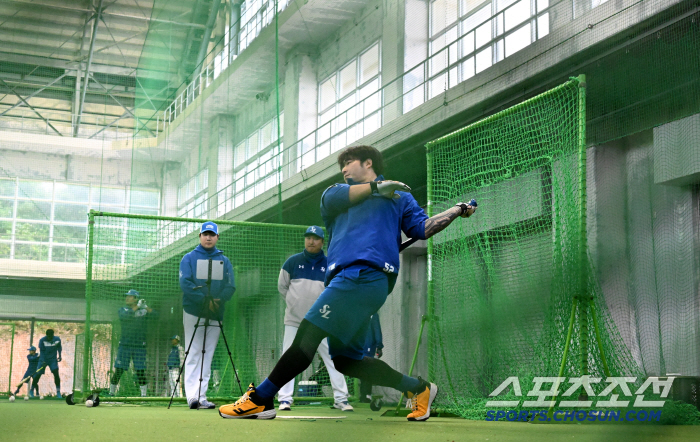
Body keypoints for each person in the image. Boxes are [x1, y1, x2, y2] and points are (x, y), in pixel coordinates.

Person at [219, 144, 476, 421]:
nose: (343, 169)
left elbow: (423, 229)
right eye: (341, 165)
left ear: (368, 163)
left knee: (308, 335)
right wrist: (378, 189)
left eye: (349, 162)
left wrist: (457, 209)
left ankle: (261, 398)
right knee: (345, 360)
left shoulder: (400, 198)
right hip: (344, 281)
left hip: (365, 278)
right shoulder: (335, 194)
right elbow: (346, 196)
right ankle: (418, 389)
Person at [276, 226, 353, 412]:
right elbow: (282, 288)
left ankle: (341, 398)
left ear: (322, 242)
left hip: (322, 323)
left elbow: (336, 292)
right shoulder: (291, 262)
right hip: (294, 322)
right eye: (308, 237)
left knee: (333, 358)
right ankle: (285, 399)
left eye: (316, 238)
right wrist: (296, 306)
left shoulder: (331, 265)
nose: (311, 241)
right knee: (288, 358)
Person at [179, 221, 235, 409]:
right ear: (200, 236)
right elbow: (186, 284)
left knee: (208, 354)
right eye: (205, 234)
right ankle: (192, 397)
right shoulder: (188, 258)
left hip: (216, 313)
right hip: (193, 311)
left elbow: (230, 286)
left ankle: (202, 397)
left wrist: (218, 300)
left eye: (212, 234)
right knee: (193, 352)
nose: (208, 237)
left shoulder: (224, 260)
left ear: (218, 237)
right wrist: (205, 300)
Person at [109, 289, 157, 397]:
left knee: (140, 371)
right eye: (127, 296)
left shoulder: (143, 311)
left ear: (136, 299)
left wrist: (146, 307)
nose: (127, 298)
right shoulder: (123, 309)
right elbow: (125, 317)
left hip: (140, 346)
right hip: (125, 345)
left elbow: (155, 315)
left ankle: (144, 396)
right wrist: (138, 307)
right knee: (119, 370)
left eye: (130, 296)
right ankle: (111, 393)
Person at [360, 313, 383, 403]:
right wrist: (379, 346)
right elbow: (377, 329)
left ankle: (363, 395)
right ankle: (366, 395)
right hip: (368, 347)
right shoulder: (373, 313)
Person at [34, 329, 62, 398]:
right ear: (46, 335)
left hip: (53, 360)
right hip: (43, 359)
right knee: (38, 374)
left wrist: (60, 355)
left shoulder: (57, 339)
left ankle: (58, 392)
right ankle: (31, 390)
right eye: (49, 336)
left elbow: (59, 347)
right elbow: (42, 352)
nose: (50, 337)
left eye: (51, 336)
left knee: (56, 373)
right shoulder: (42, 340)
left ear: (53, 335)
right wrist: (43, 361)